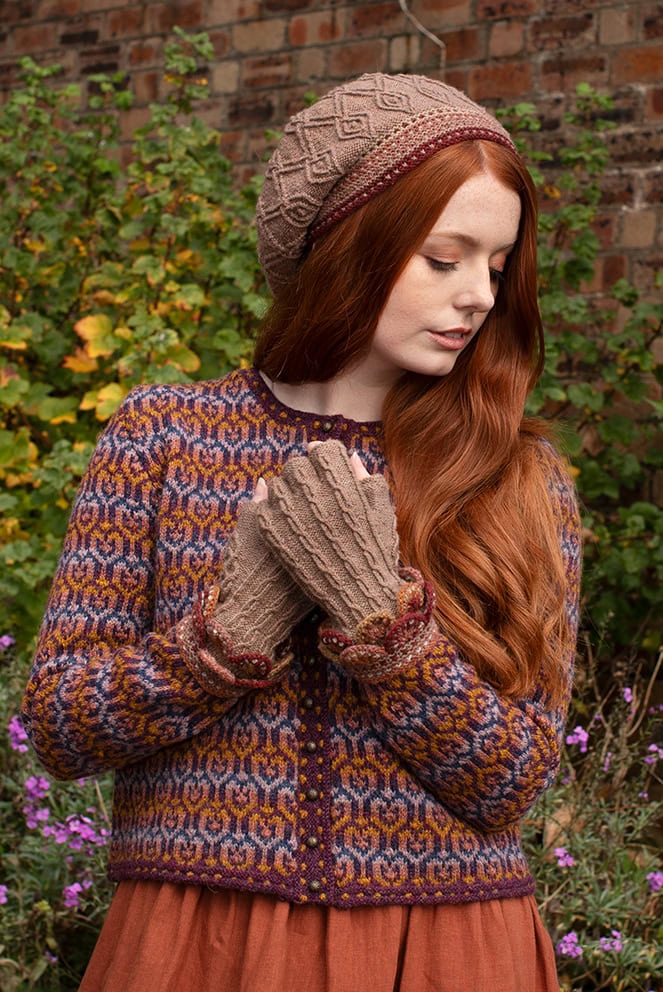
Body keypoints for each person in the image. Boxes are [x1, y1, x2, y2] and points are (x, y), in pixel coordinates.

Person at [22, 72, 581, 992]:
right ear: (348, 245)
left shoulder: (517, 479)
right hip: (199, 942)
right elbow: (59, 726)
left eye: (494, 264)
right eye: (443, 259)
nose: (477, 295)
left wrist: (383, 629)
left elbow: (515, 779)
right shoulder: (164, 438)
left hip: (446, 951)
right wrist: (223, 639)